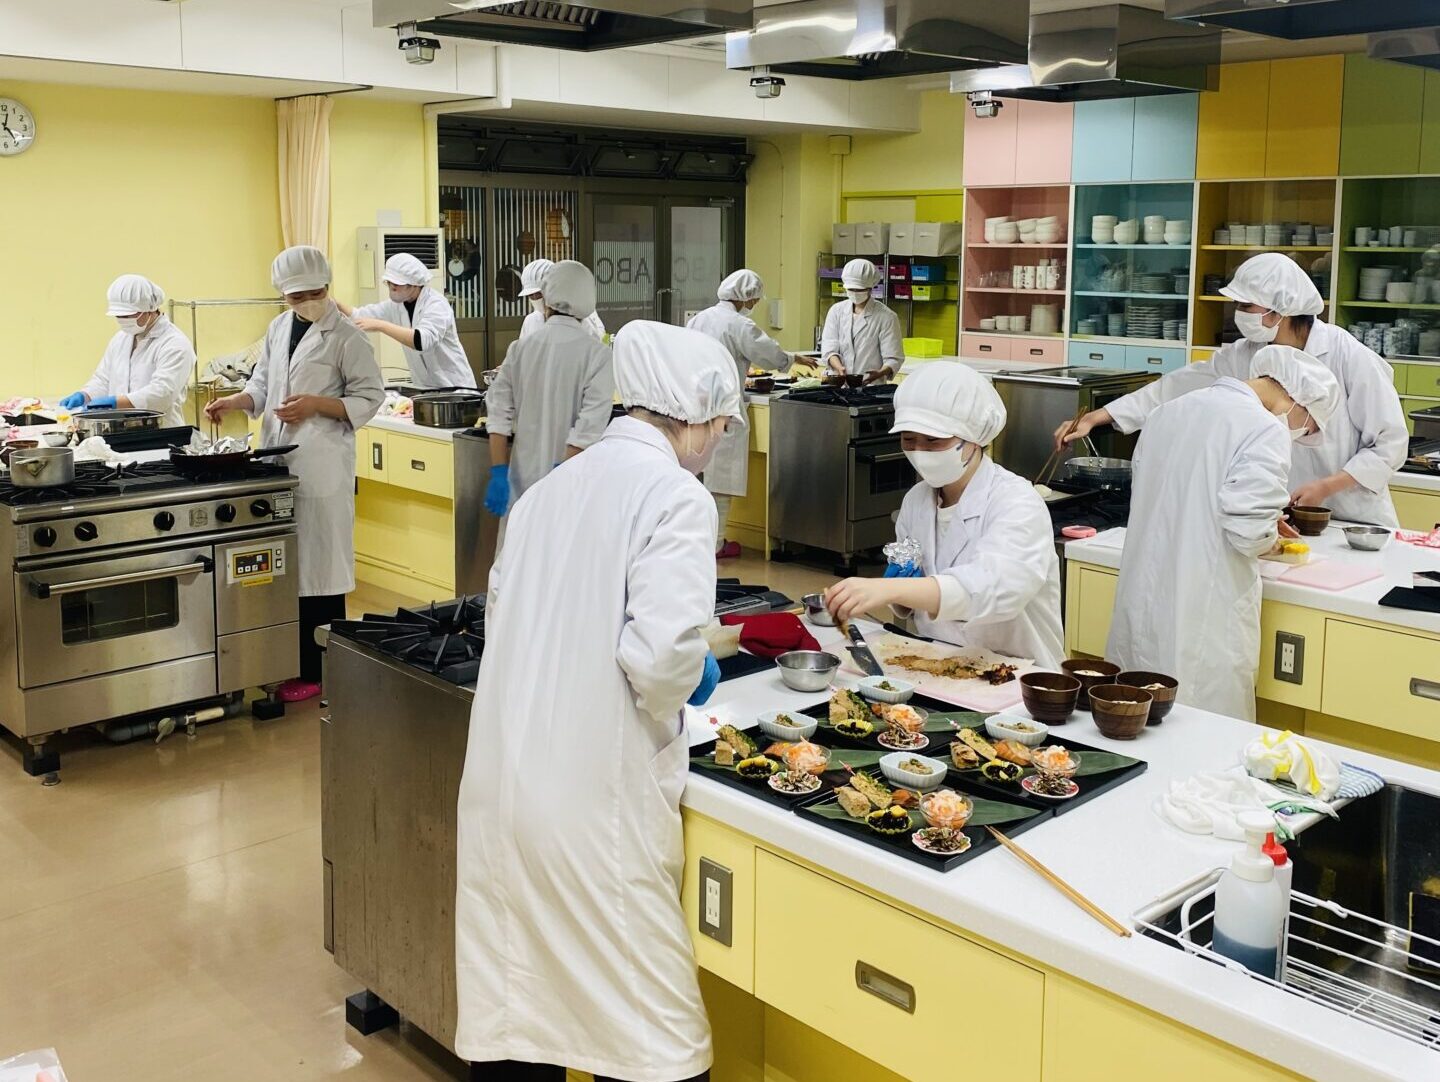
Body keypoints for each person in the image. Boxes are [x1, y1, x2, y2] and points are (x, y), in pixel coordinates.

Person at [455, 320, 742, 1082]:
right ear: (694, 415)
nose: (719, 442)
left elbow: (505, 620)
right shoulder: (677, 497)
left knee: (521, 1021)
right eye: (721, 426)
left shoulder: (548, 491)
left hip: (506, 790)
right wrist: (691, 672)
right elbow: (660, 660)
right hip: (591, 809)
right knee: (655, 1042)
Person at [1056, 252, 1407, 526]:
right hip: (1282, 515)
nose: (1239, 314)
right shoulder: (1246, 354)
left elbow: (1390, 443)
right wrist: (1098, 417)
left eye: (1246, 305)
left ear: (1281, 309)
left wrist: (1327, 487)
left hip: (1353, 516)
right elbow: (1176, 388)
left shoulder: (1349, 356)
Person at [1107, 344, 1340, 722]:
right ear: (1299, 401)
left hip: (1145, 592)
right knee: (1201, 723)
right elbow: (1248, 534)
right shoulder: (1264, 428)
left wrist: (1260, 519)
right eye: (1308, 426)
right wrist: (1271, 539)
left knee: (1137, 715)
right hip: (1206, 606)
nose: (1300, 433)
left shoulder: (1169, 412)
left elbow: (1177, 495)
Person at [204, 246, 384, 703]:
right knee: (286, 566)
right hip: (279, 461)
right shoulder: (279, 328)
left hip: (321, 465)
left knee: (321, 571)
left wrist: (317, 405)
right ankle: (286, 659)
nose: (306, 302)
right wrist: (236, 401)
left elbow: (370, 395)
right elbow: (263, 384)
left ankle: (319, 670)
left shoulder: (347, 336)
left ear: (326, 286)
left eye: (314, 293)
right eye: (296, 296)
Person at [824, 362, 1064, 668]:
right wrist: (899, 591)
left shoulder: (1016, 502)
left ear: (974, 438)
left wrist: (889, 588)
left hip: (1020, 673)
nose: (919, 451)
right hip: (941, 666)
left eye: (933, 441)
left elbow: (994, 589)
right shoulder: (917, 501)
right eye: (909, 439)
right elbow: (916, 595)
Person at [484, 260, 614, 518]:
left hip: (520, 482)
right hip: (570, 483)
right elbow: (588, 428)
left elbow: (498, 413)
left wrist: (498, 471)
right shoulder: (598, 356)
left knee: (519, 541)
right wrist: (559, 476)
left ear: (547, 298)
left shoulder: (520, 348)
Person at [686, 268, 791, 557]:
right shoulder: (739, 324)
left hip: (696, 408)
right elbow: (768, 354)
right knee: (722, 479)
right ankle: (717, 544)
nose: (755, 304)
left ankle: (697, 540)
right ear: (744, 297)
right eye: (754, 299)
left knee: (699, 478)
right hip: (725, 409)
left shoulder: (699, 319)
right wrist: (791, 360)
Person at [60, 274, 196, 427]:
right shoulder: (120, 339)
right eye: (119, 315)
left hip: (160, 431)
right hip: (121, 429)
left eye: (128, 315)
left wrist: (115, 403)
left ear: (150, 309)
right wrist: (85, 395)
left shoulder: (175, 344)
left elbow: (162, 394)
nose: (122, 320)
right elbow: (103, 379)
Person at [336, 252, 475, 390]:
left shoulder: (436, 304)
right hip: (425, 389)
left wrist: (381, 325)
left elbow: (422, 340)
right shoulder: (397, 305)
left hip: (456, 388)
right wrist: (333, 303)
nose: (392, 287)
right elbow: (358, 316)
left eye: (397, 283)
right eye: (389, 282)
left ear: (414, 284)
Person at [819, 258, 902, 383]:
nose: (854, 293)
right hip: (838, 384)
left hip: (869, 386)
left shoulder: (887, 317)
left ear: (870, 288)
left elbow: (893, 358)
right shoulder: (836, 311)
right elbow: (829, 347)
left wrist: (880, 373)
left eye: (859, 289)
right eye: (851, 289)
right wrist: (839, 368)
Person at [518, 257, 606, 342]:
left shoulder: (580, 313)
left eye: (539, 294)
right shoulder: (531, 321)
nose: (535, 298)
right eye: (531, 295)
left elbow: (598, 342)